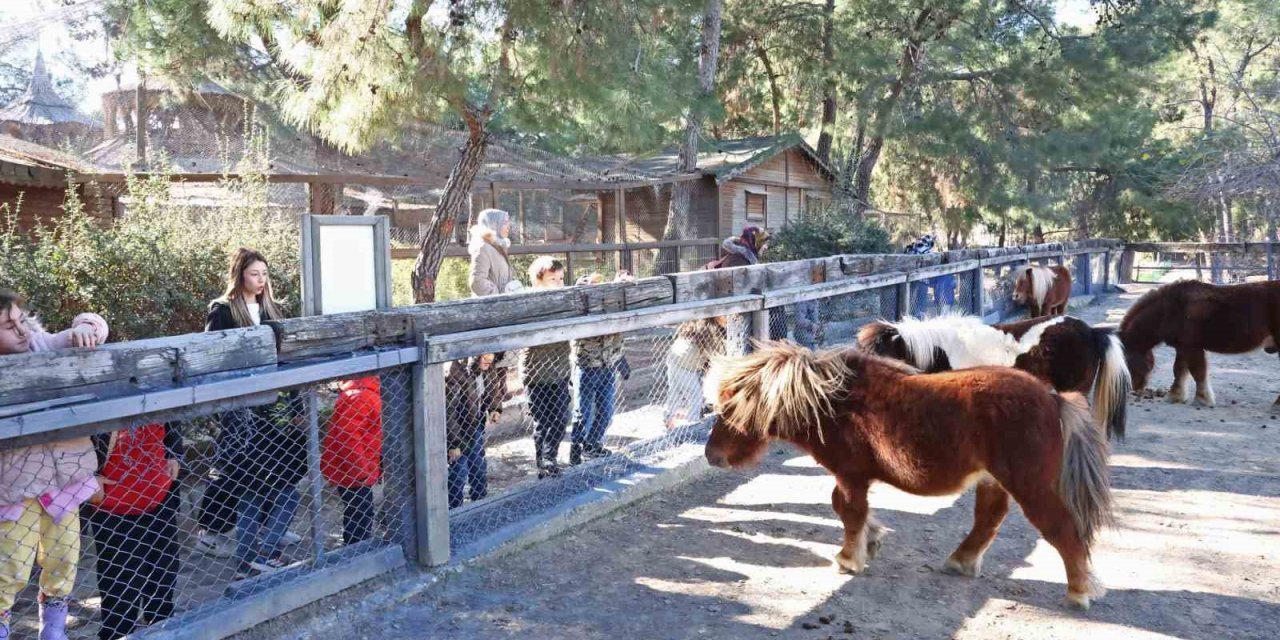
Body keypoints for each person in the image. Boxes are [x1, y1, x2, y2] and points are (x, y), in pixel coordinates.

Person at [0, 289, 108, 640]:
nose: (20, 331)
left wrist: (87, 327)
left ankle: (54, 630)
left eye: (20, 320)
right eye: (7, 325)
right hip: (15, 489)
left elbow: (95, 327)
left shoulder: (40, 345)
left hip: (63, 480)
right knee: (10, 566)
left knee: (64, 556)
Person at [204, 248, 307, 579]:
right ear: (239, 275)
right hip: (243, 412)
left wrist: (295, 406)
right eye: (254, 274)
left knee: (282, 482)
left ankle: (266, 542)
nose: (261, 280)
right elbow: (212, 354)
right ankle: (252, 552)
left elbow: (285, 358)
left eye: (264, 273)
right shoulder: (222, 310)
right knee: (249, 483)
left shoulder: (272, 308)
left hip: (275, 410)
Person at [85, 423, 183, 640]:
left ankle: (162, 626)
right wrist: (86, 476)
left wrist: (175, 453)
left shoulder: (158, 393)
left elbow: (174, 421)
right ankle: (118, 633)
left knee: (164, 567)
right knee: (121, 577)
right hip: (112, 505)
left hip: (158, 497)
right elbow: (74, 437)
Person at [568, 272, 633, 465]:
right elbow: (579, 293)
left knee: (606, 410)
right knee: (583, 410)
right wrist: (584, 285)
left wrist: (622, 284)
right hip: (588, 364)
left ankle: (593, 444)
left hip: (608, 364)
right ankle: (576, 449)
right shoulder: (582, 302)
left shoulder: (615, 302)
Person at [520, 257, 572, 478]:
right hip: (536, 374)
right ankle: (543, 462)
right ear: (538, 280)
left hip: (559, 371)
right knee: (542, 421)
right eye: (553, 279)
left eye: (561, 279)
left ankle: (551, 457)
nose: (558, 283)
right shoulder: (528, 302)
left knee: (560, 418)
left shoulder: (566, 300)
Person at [321, 376, 382, 545]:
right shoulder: (361, 396)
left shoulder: (365, 393)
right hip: (353, 468)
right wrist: (360, 471)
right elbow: (347, 436)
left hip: (358, 465)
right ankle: (356, 551)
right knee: (360, 512)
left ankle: (357, 547)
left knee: (361, 510)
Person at [445, 354, 502, 508]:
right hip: (457, 428)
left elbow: (492, 388)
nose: (489, 360)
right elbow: (449, 411)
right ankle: (454, 509)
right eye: (485, 356)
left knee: (478, 465)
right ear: (475, 356)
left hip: (475, 425)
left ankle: (480, 503)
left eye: (491, 356)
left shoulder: (488, 367)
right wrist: (453, 442)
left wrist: (494, 408)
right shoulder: (455, 370)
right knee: (459, 471)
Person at [664, 317, 727, 429]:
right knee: (695, 395)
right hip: (685, 365)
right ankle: (693, 424)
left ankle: (669, 418)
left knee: (675, 392)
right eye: (724, 316)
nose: (727, 319)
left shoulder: (697, 324)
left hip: (674, 359)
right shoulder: (709, 329)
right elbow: (716, 354)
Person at [468, 208, 522, 297]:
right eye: (504, 222)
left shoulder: (497, 246)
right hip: (490, 307)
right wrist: (498, 296)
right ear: (493, 224)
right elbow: (476, 282)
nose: (508, 226)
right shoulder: (483, 247)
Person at [905, 234, 955, 318]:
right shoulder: (922, 249)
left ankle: (919, 316)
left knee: (917, 301)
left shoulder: (912, 248)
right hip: (918, 278)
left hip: (919, 278)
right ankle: (922, 316)